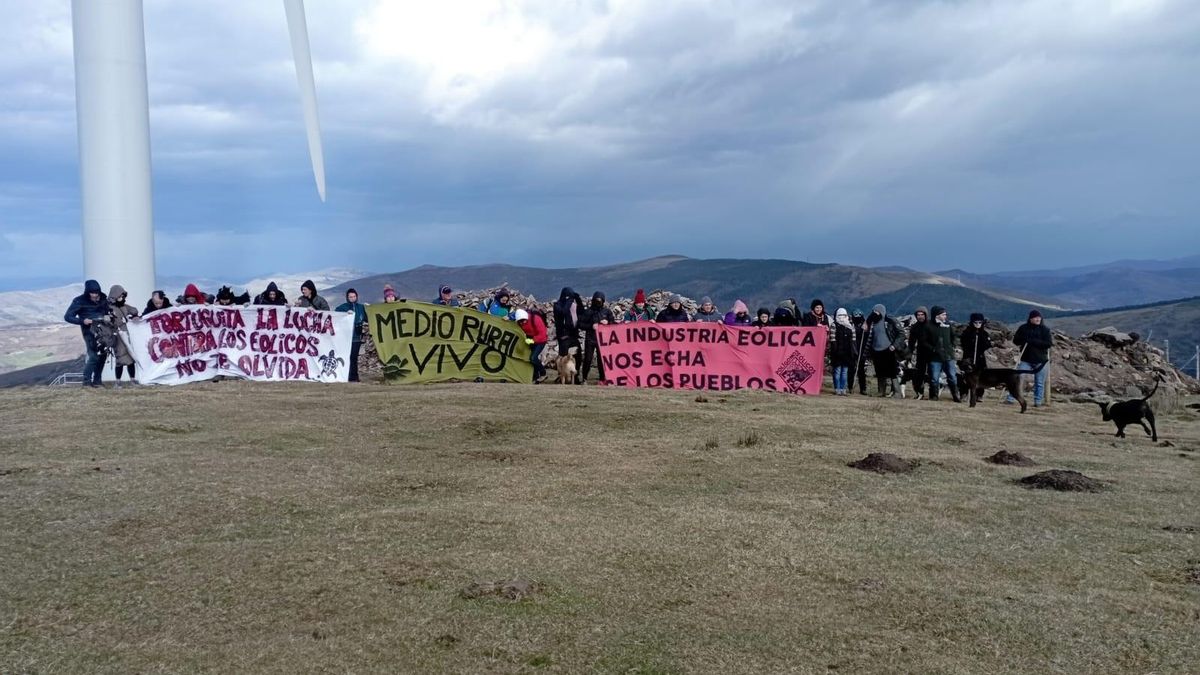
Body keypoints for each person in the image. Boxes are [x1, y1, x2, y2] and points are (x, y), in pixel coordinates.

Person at [64, 279, 110, 388]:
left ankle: (97, 381)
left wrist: (108, 316)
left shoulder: (103, 298)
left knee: (103, 355)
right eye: (92, 293)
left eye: (96, 293)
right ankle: (86, 382)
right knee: (93, 355)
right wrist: (82, 321)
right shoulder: (79, 301)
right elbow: (68, 317)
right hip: (89, 331)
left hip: (103, 330)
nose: (95, 295)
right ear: (87, 292)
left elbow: (107, 310)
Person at [1009, 310, 1053, 407]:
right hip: (1026, 359)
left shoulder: (1045, 330)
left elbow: (1048, 344)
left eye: (1039, 317)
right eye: (1035, 317)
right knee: (1018, 378)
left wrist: (1033, 341)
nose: (1038, 319)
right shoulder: (1023, 328)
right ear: (1030, 319)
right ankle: (1011, 399)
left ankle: (1037, 402)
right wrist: (1024, 340)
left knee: (1039, 382)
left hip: (1041, 360)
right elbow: (1016, 341)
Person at [865, 303, 905, 398]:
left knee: (892, 372)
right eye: (873, 311)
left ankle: (897, 392)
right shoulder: (872, 322)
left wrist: (894, 345)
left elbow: (901, 333)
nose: (875, 313)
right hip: (876, 349)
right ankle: (881, 391)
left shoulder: (890, 321)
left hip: (888, 349)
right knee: (879, 371)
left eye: (877, 311)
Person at [578, 291, 616, 383]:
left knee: (601, 360)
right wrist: (591, 326)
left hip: (603, 340)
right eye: (596, 300)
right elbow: (580, 324)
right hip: (590, 339)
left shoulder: (607, 312)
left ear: (603, 301)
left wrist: (608, 323)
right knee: (587, 359)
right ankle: (584, 378)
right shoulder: (588, 312)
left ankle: (602, 379)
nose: (598, 302)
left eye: (600, 300)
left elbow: (614, 324)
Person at [106, 284, 139, 388]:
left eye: (123, 297)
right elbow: (109, 322)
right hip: (118, 337)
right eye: (121, 296)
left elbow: (134, 310)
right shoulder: (109, 309)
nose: (122, 298)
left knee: (130, 358)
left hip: (127, 336)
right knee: (120, 359)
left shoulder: (123, 306)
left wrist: (134, 315)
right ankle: (118, 382)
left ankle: (131, 380)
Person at [928, 306, 960, 402]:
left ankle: (955, 395)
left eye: (945, 314)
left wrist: (953, 346)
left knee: (952, 376)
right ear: (937, 315)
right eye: (943, 314)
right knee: (934, 377)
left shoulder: (948, 325)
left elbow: (953, 336)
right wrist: (933, 349)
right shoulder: (929, 326)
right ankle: (934, 395)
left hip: (949, 356)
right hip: (935, 357)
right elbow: (924, 340)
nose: (945, 316)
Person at [334, 289, 368, 382]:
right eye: (350, 297)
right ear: (347, 298)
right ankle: (347, 376)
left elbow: (367, 318)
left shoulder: (361, 307)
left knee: (354, 357)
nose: (352, 298)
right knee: (347, 357)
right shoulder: (343, 307)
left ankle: (354, 377)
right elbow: (335, 315)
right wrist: (345, 314)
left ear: (356, 297)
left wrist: (369, 309)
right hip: (346, 337)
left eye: (354, 297)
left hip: (357, 336)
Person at [553, 287, 585, 382]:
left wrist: (578, 300)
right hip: (563, 335)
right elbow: (563, 312)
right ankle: (562, 376)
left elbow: (582, 312)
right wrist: (569, 301)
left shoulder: (573, 305)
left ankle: (575, 375)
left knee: (577, 356)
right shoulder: (557, 305)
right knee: (564, 358)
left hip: (573, 334)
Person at [960, 313, 993, 400]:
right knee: (966, 376)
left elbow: (988, 345)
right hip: (968, 357)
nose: (978, 324)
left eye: (980, 322)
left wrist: (981, 337)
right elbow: (963, 343)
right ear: (972, 322)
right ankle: (964, 393)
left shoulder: (984, 334)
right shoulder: (966, 332)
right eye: (975, 322)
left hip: (980, 358)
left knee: (981, 376)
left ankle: (979, 395)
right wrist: (973, 338)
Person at [514, 308, 549, 383]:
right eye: (520, 322)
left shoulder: (536, 319)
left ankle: (543, 373)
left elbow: (542, 334)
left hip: (541, 340)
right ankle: (535, 376)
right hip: (530, 339)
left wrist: (533, 340)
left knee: (533, 358)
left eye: (524, 321)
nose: (523, 323)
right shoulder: (519, 322)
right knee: (531, 359)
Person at [907, 306, 934, 400]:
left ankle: (933, 394)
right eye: (918, 315)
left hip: (931, 353)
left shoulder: (931, 325)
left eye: (922, 314)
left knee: (932, 374)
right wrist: (908, 355)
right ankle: (919, 393)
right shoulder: (915, 327)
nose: (920, 316)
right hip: (920, 353)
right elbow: (911, 342)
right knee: (919, 374)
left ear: (926, 315)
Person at [830, 308, 857, 396]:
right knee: (838, 371)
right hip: (837, 352)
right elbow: (832, 339)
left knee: (844, 371)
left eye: (844, 315)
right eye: (840, 315)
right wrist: (835, 350)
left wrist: (853, 351)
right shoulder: (834, 325)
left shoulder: (850, 326)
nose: (842, 317)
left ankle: (843, 389)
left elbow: (853, 340)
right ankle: (837, 388)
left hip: (847, 352)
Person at [849, 309, 869, 395]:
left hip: (861, 349)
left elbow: (867, 337)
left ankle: (863, 388)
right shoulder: (850, 325)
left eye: (859, 317)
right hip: (852, 350)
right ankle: (850, 387)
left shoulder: (864, 325)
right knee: (851, 370)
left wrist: (865, 330)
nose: (857, 319)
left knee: (861, 370)